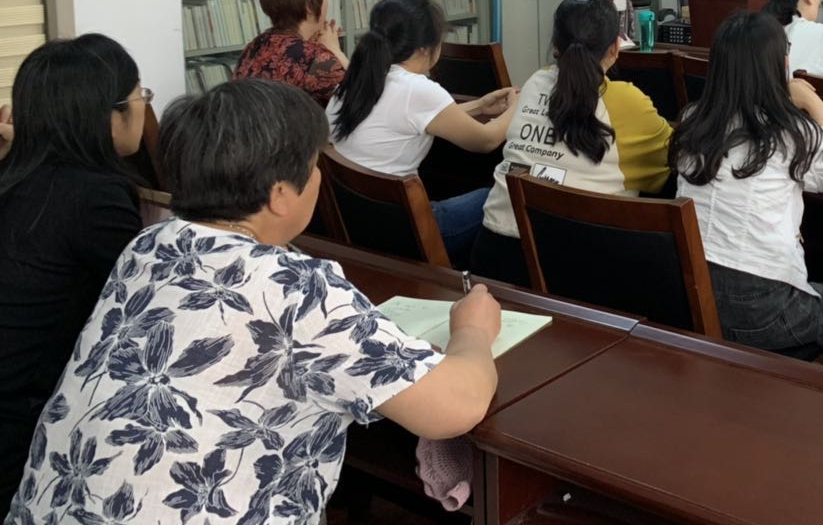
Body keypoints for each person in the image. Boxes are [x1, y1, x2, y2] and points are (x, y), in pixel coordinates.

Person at [6, 79, 503, 525]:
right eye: (315, 164)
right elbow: (455, 407)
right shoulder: (296, 288)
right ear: (281, 194)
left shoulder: (150, 245)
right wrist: (472, 332)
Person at [672, 10, 823, 375]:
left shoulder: (692, 121)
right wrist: (818, 108)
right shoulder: (792, 133)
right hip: (762, 311)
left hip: (692, 298)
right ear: (780, 65)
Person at [0, 36, 145, 513]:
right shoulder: (96, 197)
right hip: (24, 427)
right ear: (109, 115)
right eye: (140, 96)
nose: (143, 107)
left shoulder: (17, 175)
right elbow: (141, 309)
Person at [474, 0, 672, 285]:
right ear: (616, 47)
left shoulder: (535, 82)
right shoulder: (627, 102)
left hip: (495, 252)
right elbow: (670, 166)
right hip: (580, 268)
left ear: (555, 44)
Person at [328, 0, 518, 267]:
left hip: (359, 224)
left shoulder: (357, 80)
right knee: (498, 197)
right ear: (425, 48)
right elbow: (486, 141)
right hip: (406, 232)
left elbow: (409, 120)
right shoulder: (417, 89)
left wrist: (479, 106)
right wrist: (518, 106)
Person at [235, 0, 348, 106]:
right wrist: (336, 51)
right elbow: (363, 102)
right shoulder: (318, 59)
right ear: (310, 6)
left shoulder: (254, 46)